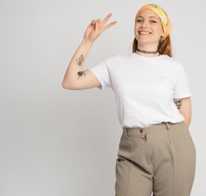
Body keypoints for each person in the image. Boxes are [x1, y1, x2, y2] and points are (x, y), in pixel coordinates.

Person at [62, 4, 196, 196]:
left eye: (152, 21)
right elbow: (71, 81)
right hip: (132, 146)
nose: (144, 25)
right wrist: (87, 41)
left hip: (172, 145)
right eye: (139, 20)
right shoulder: (116, 64)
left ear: (163, 32)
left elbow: (185, 117)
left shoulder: (174, 67)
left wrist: (164, 141)